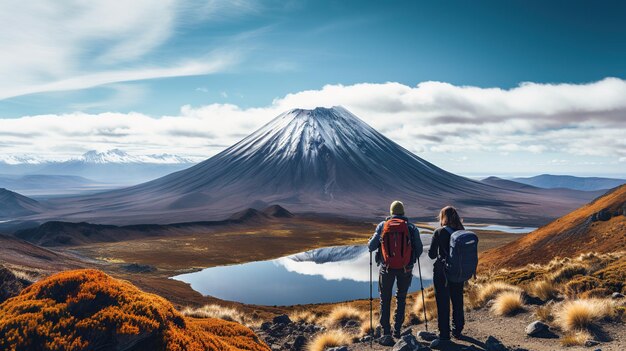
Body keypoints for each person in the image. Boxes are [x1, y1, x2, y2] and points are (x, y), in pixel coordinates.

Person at [368, 200, 423, 346]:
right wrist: (408, 259)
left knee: (385, 299)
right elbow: (419, 250)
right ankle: (397, 330)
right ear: (403, 212)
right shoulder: (411, 227)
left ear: (391, 212)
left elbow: (371, 246)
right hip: (406, 269)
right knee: (401, 297)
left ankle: (386, 332)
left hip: (386, 269)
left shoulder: (382, 226)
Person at [428, 206, 466, 349]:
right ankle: (458, 330)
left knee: (443, 302)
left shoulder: (439, 232)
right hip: (458, 272)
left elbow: (432, 255)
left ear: (443, 217)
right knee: (457, 300)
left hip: (442, 274)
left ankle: (444, 334)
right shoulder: (462, 232)